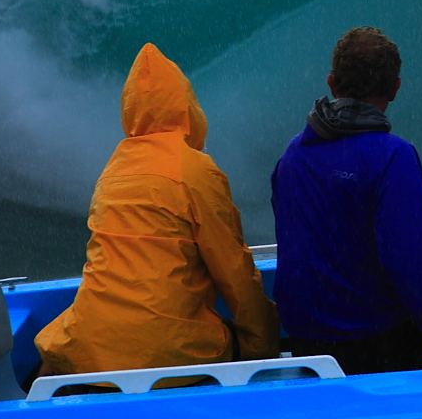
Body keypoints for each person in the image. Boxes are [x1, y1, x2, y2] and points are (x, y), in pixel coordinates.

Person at [35, 43, 279, 378]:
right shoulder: (195, 170)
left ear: (130, 109)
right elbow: (234, 270)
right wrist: (262, 345)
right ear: (188, 106)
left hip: (92, 346)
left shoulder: (113, 170)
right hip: (173, 353)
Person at [271, 27, 422, 374]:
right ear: (395, 88)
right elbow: (411, 265)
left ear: (331, 83)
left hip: (307, 344)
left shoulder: (292, 157)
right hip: (378, 345)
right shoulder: (392, 157)